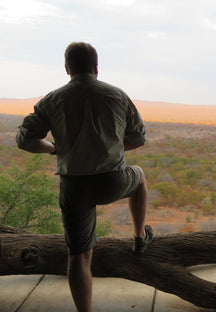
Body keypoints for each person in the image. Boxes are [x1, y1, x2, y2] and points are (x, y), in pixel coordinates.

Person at [16, 41, 153, 312]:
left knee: (78, 255)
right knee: (139, 177)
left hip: (74, 185)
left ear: (67, 68)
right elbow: (138, 138)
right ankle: (139, 237)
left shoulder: (52, 100)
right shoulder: (117, 95)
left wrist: (53, 149)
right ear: (96, 67)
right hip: (112, 181)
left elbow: (25, 140)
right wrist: (111, 147)